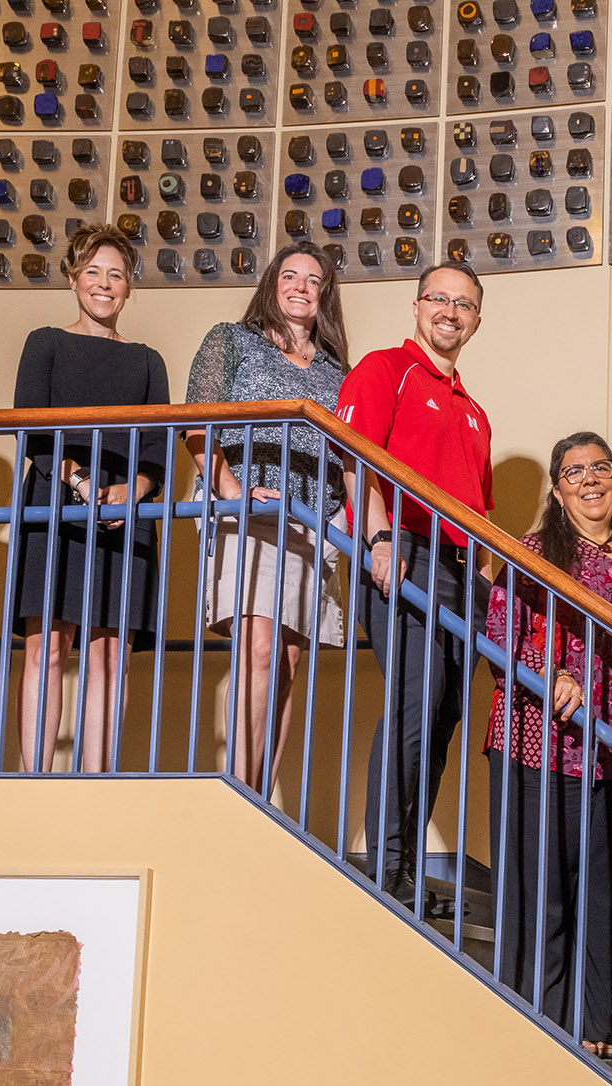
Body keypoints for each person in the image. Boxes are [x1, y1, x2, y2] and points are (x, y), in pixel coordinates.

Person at [481, 432, 612, 1054]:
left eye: (601, 467)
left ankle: (604, 1034)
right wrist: (551, 671)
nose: (590, 479)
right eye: (574, 472)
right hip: (546, 746)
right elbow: (498, 632)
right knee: (548, 897)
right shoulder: (534, 551)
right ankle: (538, 1031)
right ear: (557, 491)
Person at [337, 263, 492, 915]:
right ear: (416, 306)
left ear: (476, 321)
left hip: (463, 572)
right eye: (439, 298)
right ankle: (387, 866)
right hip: (404, 551)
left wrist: (486, 582)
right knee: (415, 700)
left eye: (464, 304)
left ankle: (403, 867)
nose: (450, 311)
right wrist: (375, 538)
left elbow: (479, 510)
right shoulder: (384, 370)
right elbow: (355, 458)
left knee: (442, 717)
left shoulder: (477, 412)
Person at [187, 241, 352, 796]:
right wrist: (230, 489)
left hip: (313, 518)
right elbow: (196, 422)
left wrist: (347, 519)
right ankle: (237, 791)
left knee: (285, 661)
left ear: (325, 293)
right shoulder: (231, 341)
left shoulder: (338, 370)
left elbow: (353, 454)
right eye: (290, 276)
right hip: (248, 508)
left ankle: (260, 797)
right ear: (272, 284)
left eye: (312, 279)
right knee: (256, 648)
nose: (300, 286)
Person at [9, 223, 169, 773]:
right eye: (94, 273)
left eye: (116, 275)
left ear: (129, 288)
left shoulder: (148, 359)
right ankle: (35, 779)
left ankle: (97, 782)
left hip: (128, 512)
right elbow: (33, 430)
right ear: (74, 279)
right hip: (56, 499)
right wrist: (78, 483)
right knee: (47, 645)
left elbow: (159, 446)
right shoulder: (45, 342)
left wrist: (136, 490)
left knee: (108, 656)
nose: (105, 285)